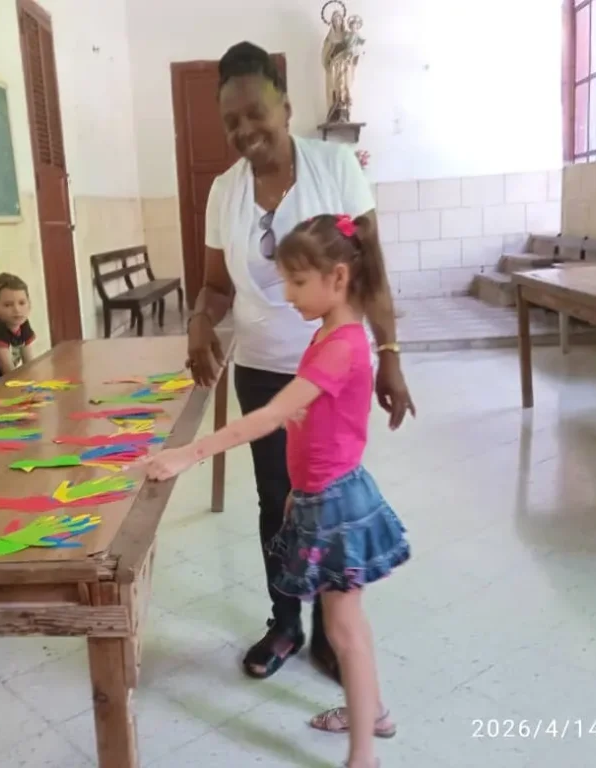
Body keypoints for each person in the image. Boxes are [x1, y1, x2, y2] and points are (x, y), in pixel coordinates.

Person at [187, 41, 414, 684]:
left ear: (285, 108)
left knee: (328, 501)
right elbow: (215, 286)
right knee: (275, 500)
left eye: (255, 113)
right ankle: (285, 623)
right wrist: (201, 318)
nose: (244, 131)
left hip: (333, 370)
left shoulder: (335, 166)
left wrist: (390, 353)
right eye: (231, 122)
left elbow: (371, 270)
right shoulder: (222, 191)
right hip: (261, 365)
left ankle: (328, 633)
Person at [149, 213, 409, 768]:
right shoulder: (328, 331)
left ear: (337, 278)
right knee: (344, 624)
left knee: (344, 629)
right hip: (320, 495)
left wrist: (186, 456)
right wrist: (296, 490)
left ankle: (365, 749)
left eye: (296, 281)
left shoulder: (342, 346)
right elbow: (312, 426)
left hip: (339, 503)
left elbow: (269, 418)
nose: (286, 293)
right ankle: (373, 711)